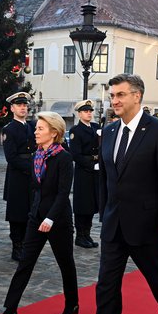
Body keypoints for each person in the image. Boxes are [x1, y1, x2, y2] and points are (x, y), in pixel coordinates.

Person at [73, 74, 158, 314]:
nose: (115, 101)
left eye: (121, 95)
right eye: (112, 96)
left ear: (137, 96)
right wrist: (103, 211)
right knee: (106, 287)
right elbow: (106, 177)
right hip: (114, 223)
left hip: (146, 225)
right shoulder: (108, 132)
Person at [0, 111, 78, 314]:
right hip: (36, 218)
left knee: (65, 263)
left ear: (54, 132)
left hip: (58, 220)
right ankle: (10, 309)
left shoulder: (64, 157)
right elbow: (36, 189)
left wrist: (50, 218)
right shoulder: (37, 156)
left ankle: (72, 304)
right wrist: (34, 213)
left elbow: (63, 193)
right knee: (25, 263)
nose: (36, 132)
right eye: (36, 128)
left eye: (40, 129)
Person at [2, 92, 36, 261]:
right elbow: (12, 158)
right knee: (17, 213)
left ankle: (27, 244)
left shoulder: (32, 126)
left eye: (25, 105)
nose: (23, 108)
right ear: (12, 108)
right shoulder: (9, 129)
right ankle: (17, 247)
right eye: (19, 105)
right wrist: (33, 168)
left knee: (31, 211)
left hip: (33, 176)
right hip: (18, 176)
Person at [69, 99, 101, 248]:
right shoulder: (76, 130)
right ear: (79, 113)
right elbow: (76, 154)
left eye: (90, 111)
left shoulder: (96, 127)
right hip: (84, 171)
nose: (89, 113)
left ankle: (87, 234)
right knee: (83, 204)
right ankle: (80, 235)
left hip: (96, 169)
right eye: (85, 111)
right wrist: (91, 165)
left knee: (91, 204)